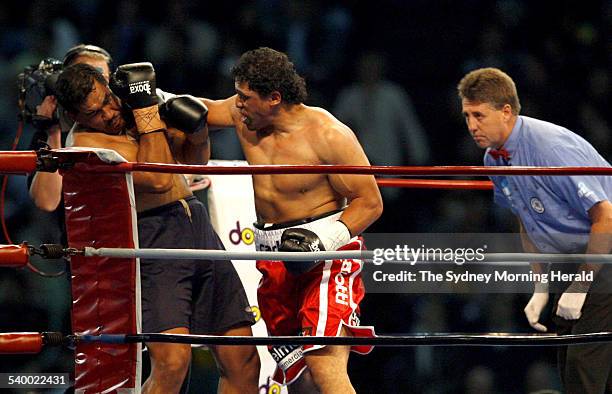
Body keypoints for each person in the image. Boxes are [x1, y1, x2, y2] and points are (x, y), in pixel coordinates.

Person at [55, 63, 260, 394]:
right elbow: (158, 177)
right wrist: (147, 108)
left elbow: (194, 162)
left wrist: (198, 132)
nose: (108, 113)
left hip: (196, 222)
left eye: (107, 99)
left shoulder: (129, 107)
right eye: (95, 112)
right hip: (153, 237)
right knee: (172, 363)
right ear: (75, 116)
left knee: (244, 361)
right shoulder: (84, 143)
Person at [201, 47, 383, 393]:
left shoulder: (329, 135)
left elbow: (371, 203)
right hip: (273, 261)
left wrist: (322, 243)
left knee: (325, 363)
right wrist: (152, 97)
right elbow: (201, 110)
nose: (236, 103)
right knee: (297, 376)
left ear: (273, 98)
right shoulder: (245, 116)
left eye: (245, 97)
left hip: (327, 259)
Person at [458, 67, 612, 394]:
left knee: (582, 370)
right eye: (467, 115)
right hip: (569, 262)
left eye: (479, 115)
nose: (472, 126)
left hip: (602, 258)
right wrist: (540, 283)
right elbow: (525, 217)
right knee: (574, 363)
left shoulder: (550, 147)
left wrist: (582, 284)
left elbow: (606, 216)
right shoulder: (493, 158)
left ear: (506, 111)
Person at [28, 44, 113, 246]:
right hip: (81, 245)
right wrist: (54, 132)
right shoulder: (50, 135)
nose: (92, 90)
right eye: (82, 79)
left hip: (134, 237)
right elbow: (46, 201)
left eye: (101, 80)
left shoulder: (124, 122)